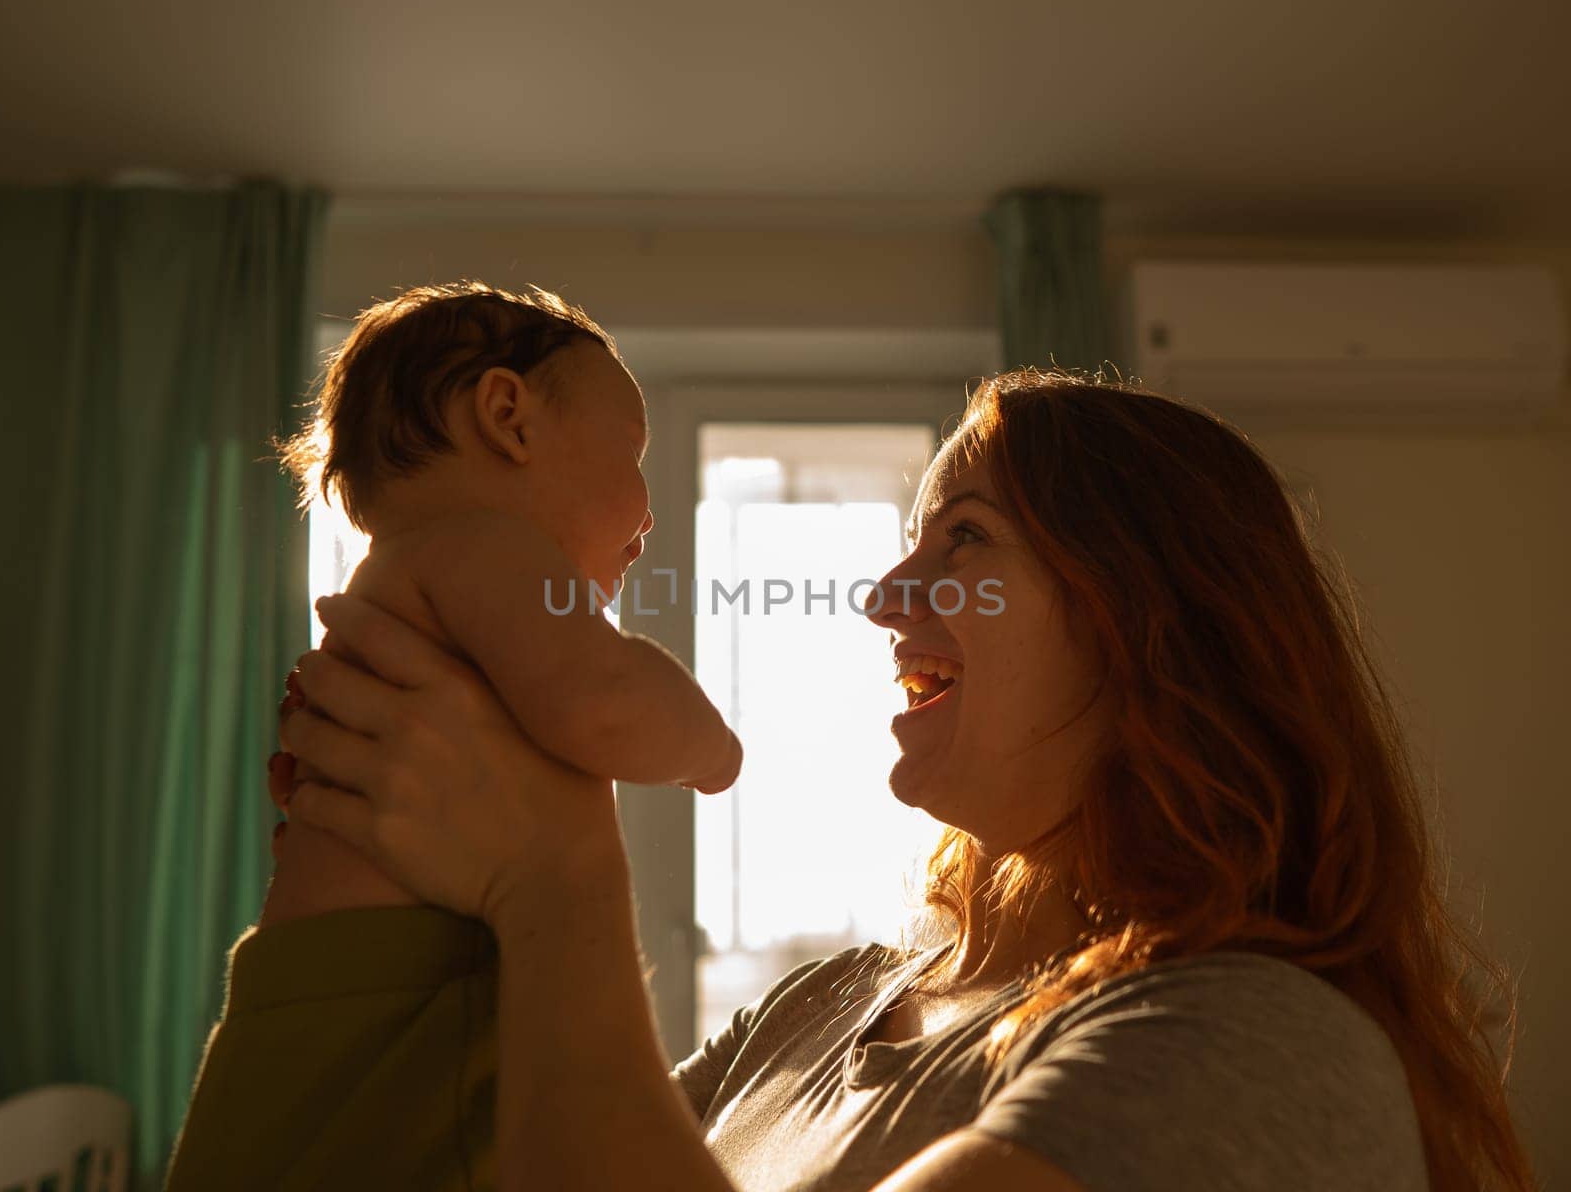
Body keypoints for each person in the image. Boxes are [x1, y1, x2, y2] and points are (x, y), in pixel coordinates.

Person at [165, 369, 1535, 1191]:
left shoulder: (1252, 1044)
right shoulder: (828, 1007)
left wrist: (557, 877)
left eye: (967, 538)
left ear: (1146, 624)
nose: (886, 596)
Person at [263, 280, 741, 926]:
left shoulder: (402, 581)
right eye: (631, 452)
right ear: (508, 419)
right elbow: (606, 702)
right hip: (382, 978)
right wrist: (712, 750)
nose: (650, 515)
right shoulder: (479, 548)